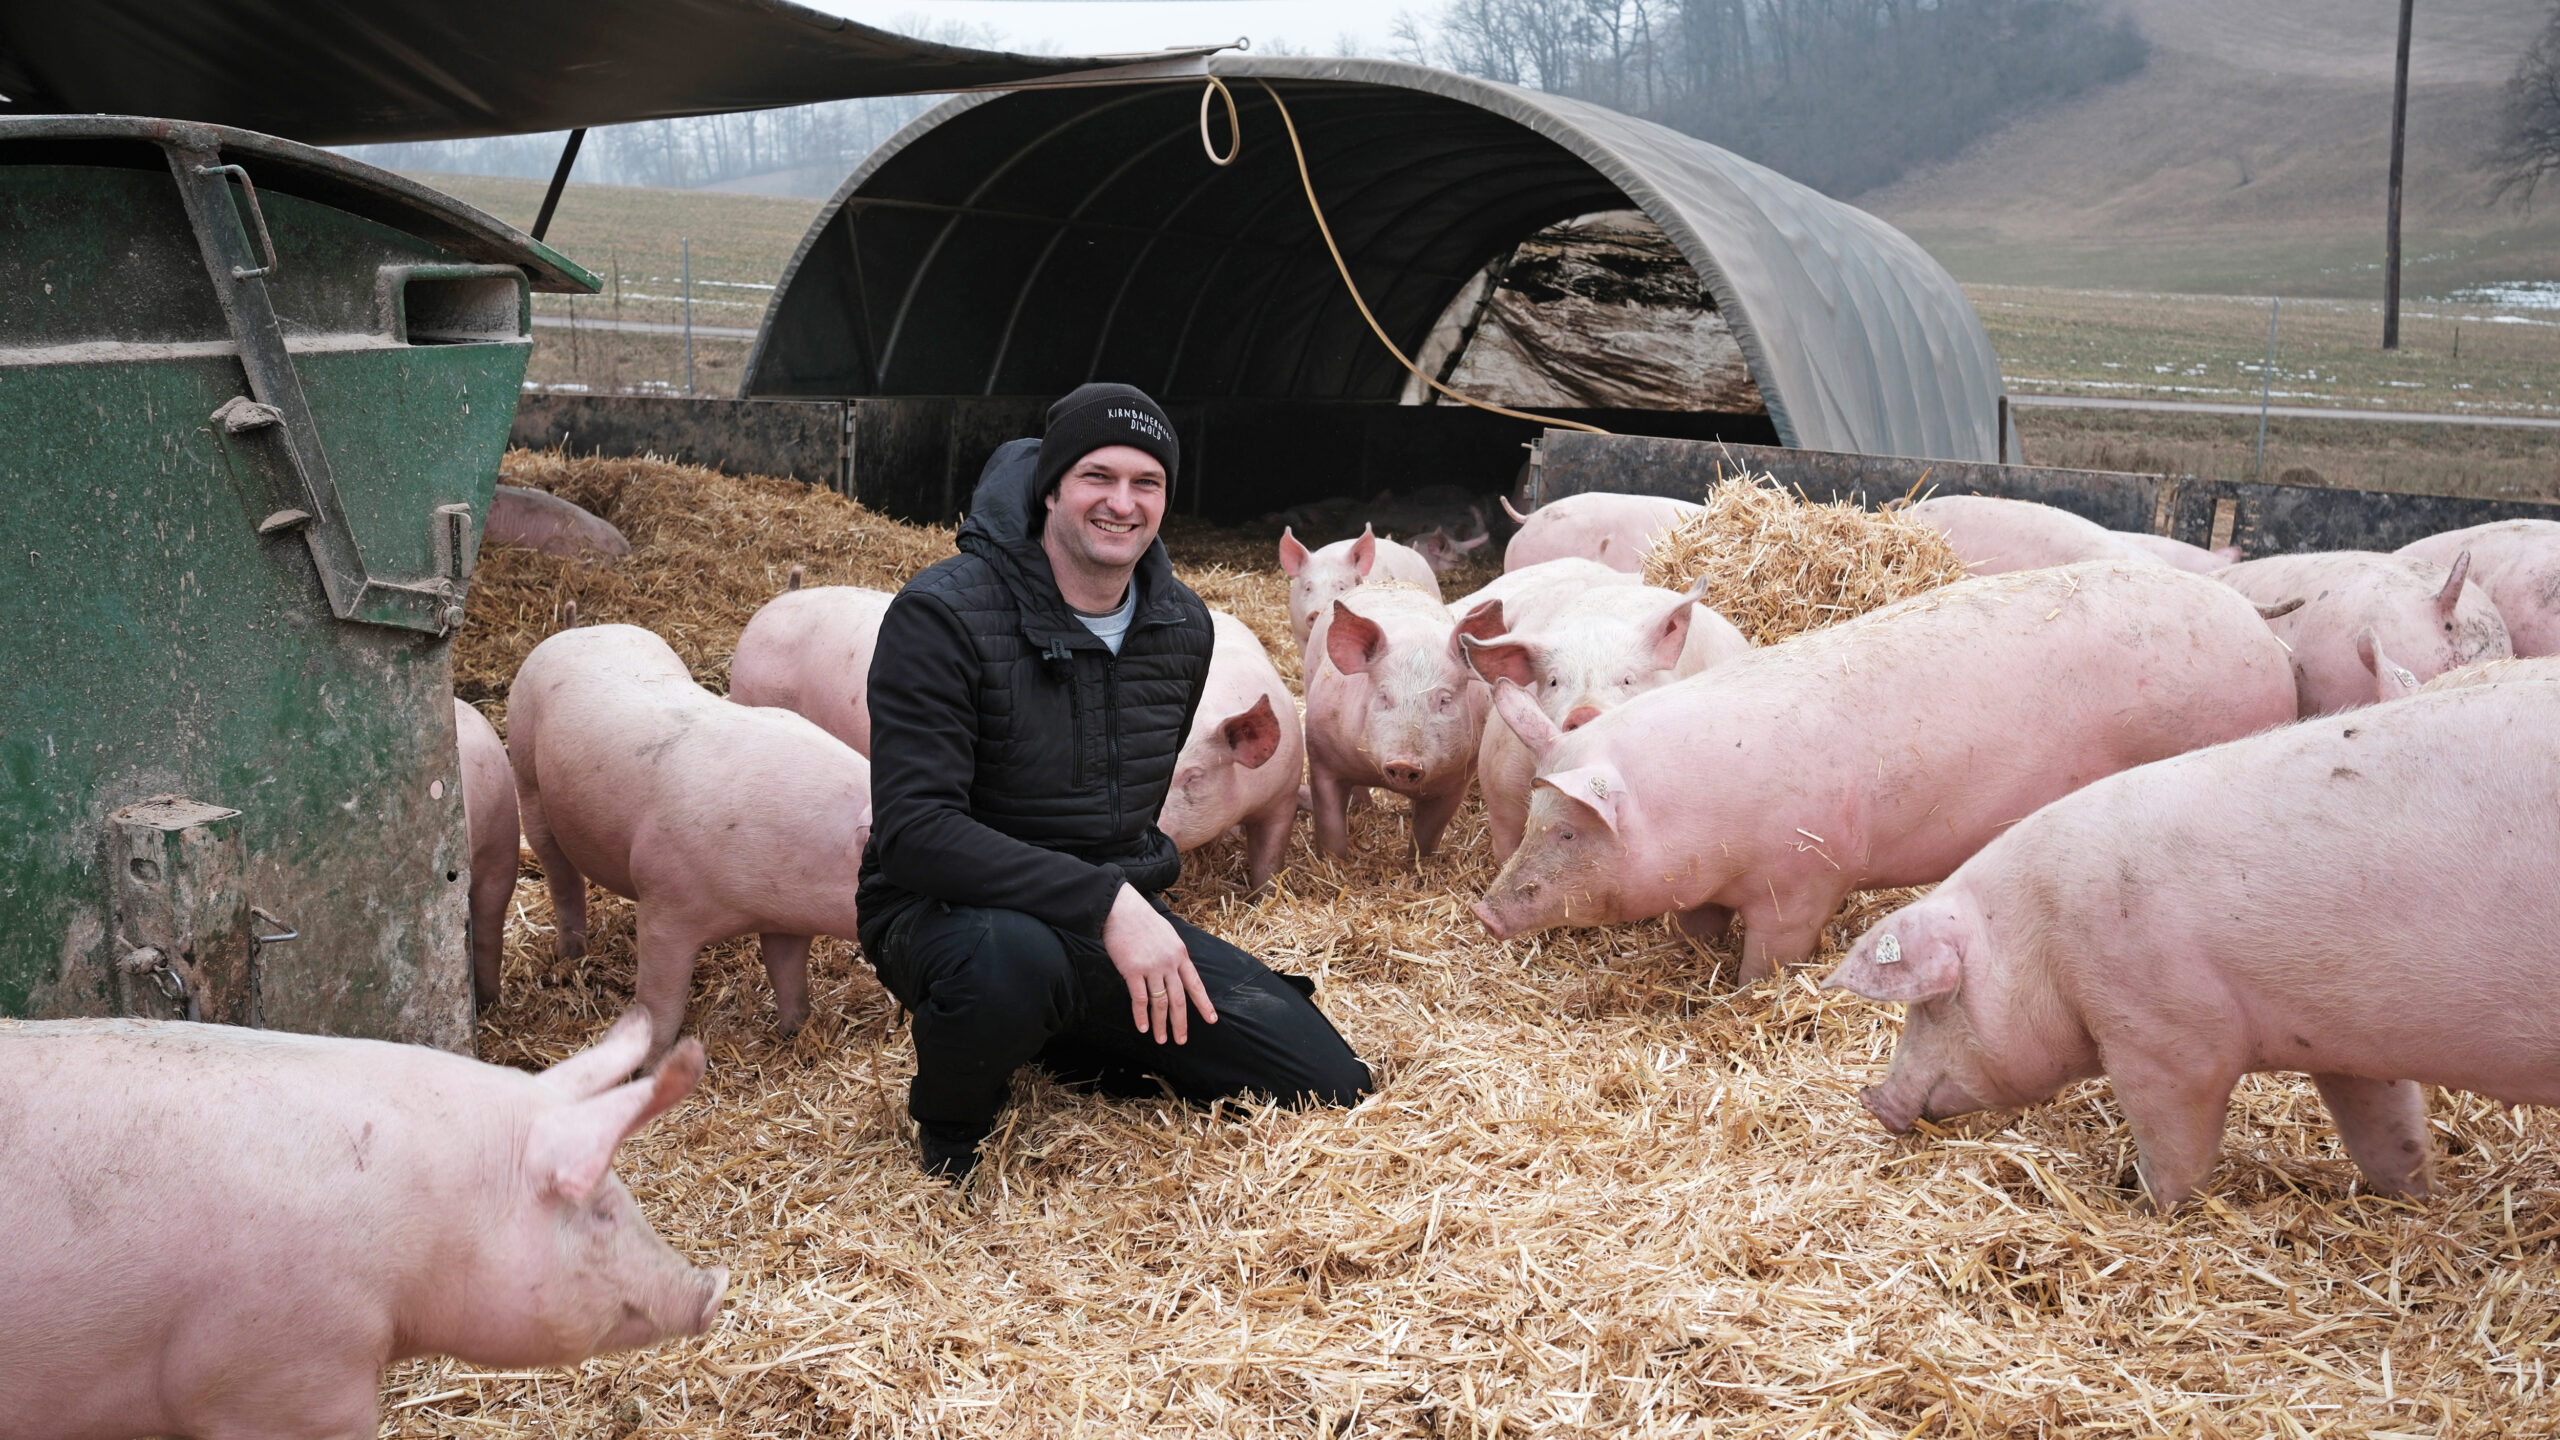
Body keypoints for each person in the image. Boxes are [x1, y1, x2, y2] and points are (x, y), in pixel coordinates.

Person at [857, 382, 1372, 1179]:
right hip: (947, 910)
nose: (1122, 503)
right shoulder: (942, 615)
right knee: (1009, 963)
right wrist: (1107, 902)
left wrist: (1117, 908)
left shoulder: (1181, 625)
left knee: (1327, 1082)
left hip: (1103, 916)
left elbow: (1130, 803)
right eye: (1097, 476)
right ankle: (953, 1128)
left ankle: (1059, 1035)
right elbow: (916, 835)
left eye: (1146, 482)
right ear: (1050, 488)